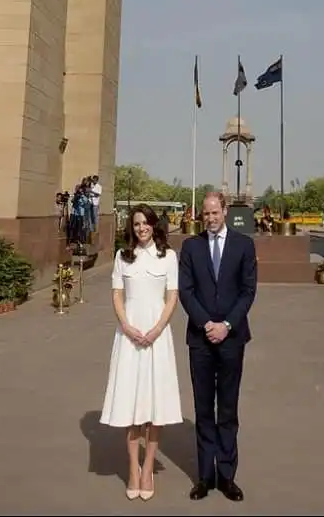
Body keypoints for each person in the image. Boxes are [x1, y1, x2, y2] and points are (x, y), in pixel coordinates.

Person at [178, 191, 258, 502]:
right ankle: (204, 477)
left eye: (214, 213)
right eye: (205, 214)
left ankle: (227, 475)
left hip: (232, 338)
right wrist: (205, 324)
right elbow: (186, 291)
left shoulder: (243, 245)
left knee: (227, 408)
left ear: (225, 211)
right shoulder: (191, 246)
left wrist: (226, 325)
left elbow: (248, 291)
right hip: (199, 339)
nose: (210, 218)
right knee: (202, 408)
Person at [101, 204, 182, 501]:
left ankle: (148, 468)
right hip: (129, 337)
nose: (141, 228)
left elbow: (172, 296)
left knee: (155, 404)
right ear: (131, 227)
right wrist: (126, 326)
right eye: (136, 224)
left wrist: (158, 328)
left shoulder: (168, 256)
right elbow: (117, 295)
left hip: (158, 336)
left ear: (153, 225)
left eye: (145, 223)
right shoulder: (123, 257)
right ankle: (132, 468)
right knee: (132, 402)